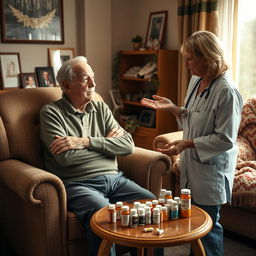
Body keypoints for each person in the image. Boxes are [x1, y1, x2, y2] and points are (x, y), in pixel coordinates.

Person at [40, 56, 156, 255]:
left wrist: (85, 142)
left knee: (151, 203)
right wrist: (108, 147)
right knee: (105, 215)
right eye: (86, 79)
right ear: (67, 85)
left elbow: (127, 146)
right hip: (78, 183)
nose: (94, 84)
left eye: (93, 77)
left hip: (115, 179)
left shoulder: (100, 107)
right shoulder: (51, 113)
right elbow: (66, 158)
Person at [141, 31, 243, 256]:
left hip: (211, 171)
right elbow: (192, 116)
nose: (186, 64)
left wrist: (186, 144)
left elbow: (225, 139)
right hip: (192, 165)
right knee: (195, 224)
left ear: (207, 58)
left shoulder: (227, 92)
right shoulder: (197, 80)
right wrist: (173, 108)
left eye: (190, 58)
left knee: (208, 227)